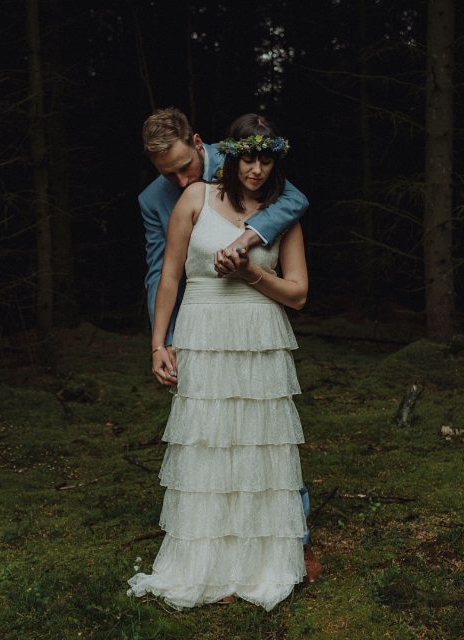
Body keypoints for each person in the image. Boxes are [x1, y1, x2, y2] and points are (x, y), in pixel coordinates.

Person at [128, 113, 311, 610]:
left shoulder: (283, 206)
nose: (255, 168)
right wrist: (159, 342)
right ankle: (205, 558)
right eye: (248, 156)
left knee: (259, 440)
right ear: (234, 155)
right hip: (204, 329)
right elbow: (165, 274)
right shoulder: (187, 199)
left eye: (265, 157)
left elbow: (297, 294)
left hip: (259, 333)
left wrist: (251, 273)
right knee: (209, 441)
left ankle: (266, 552)